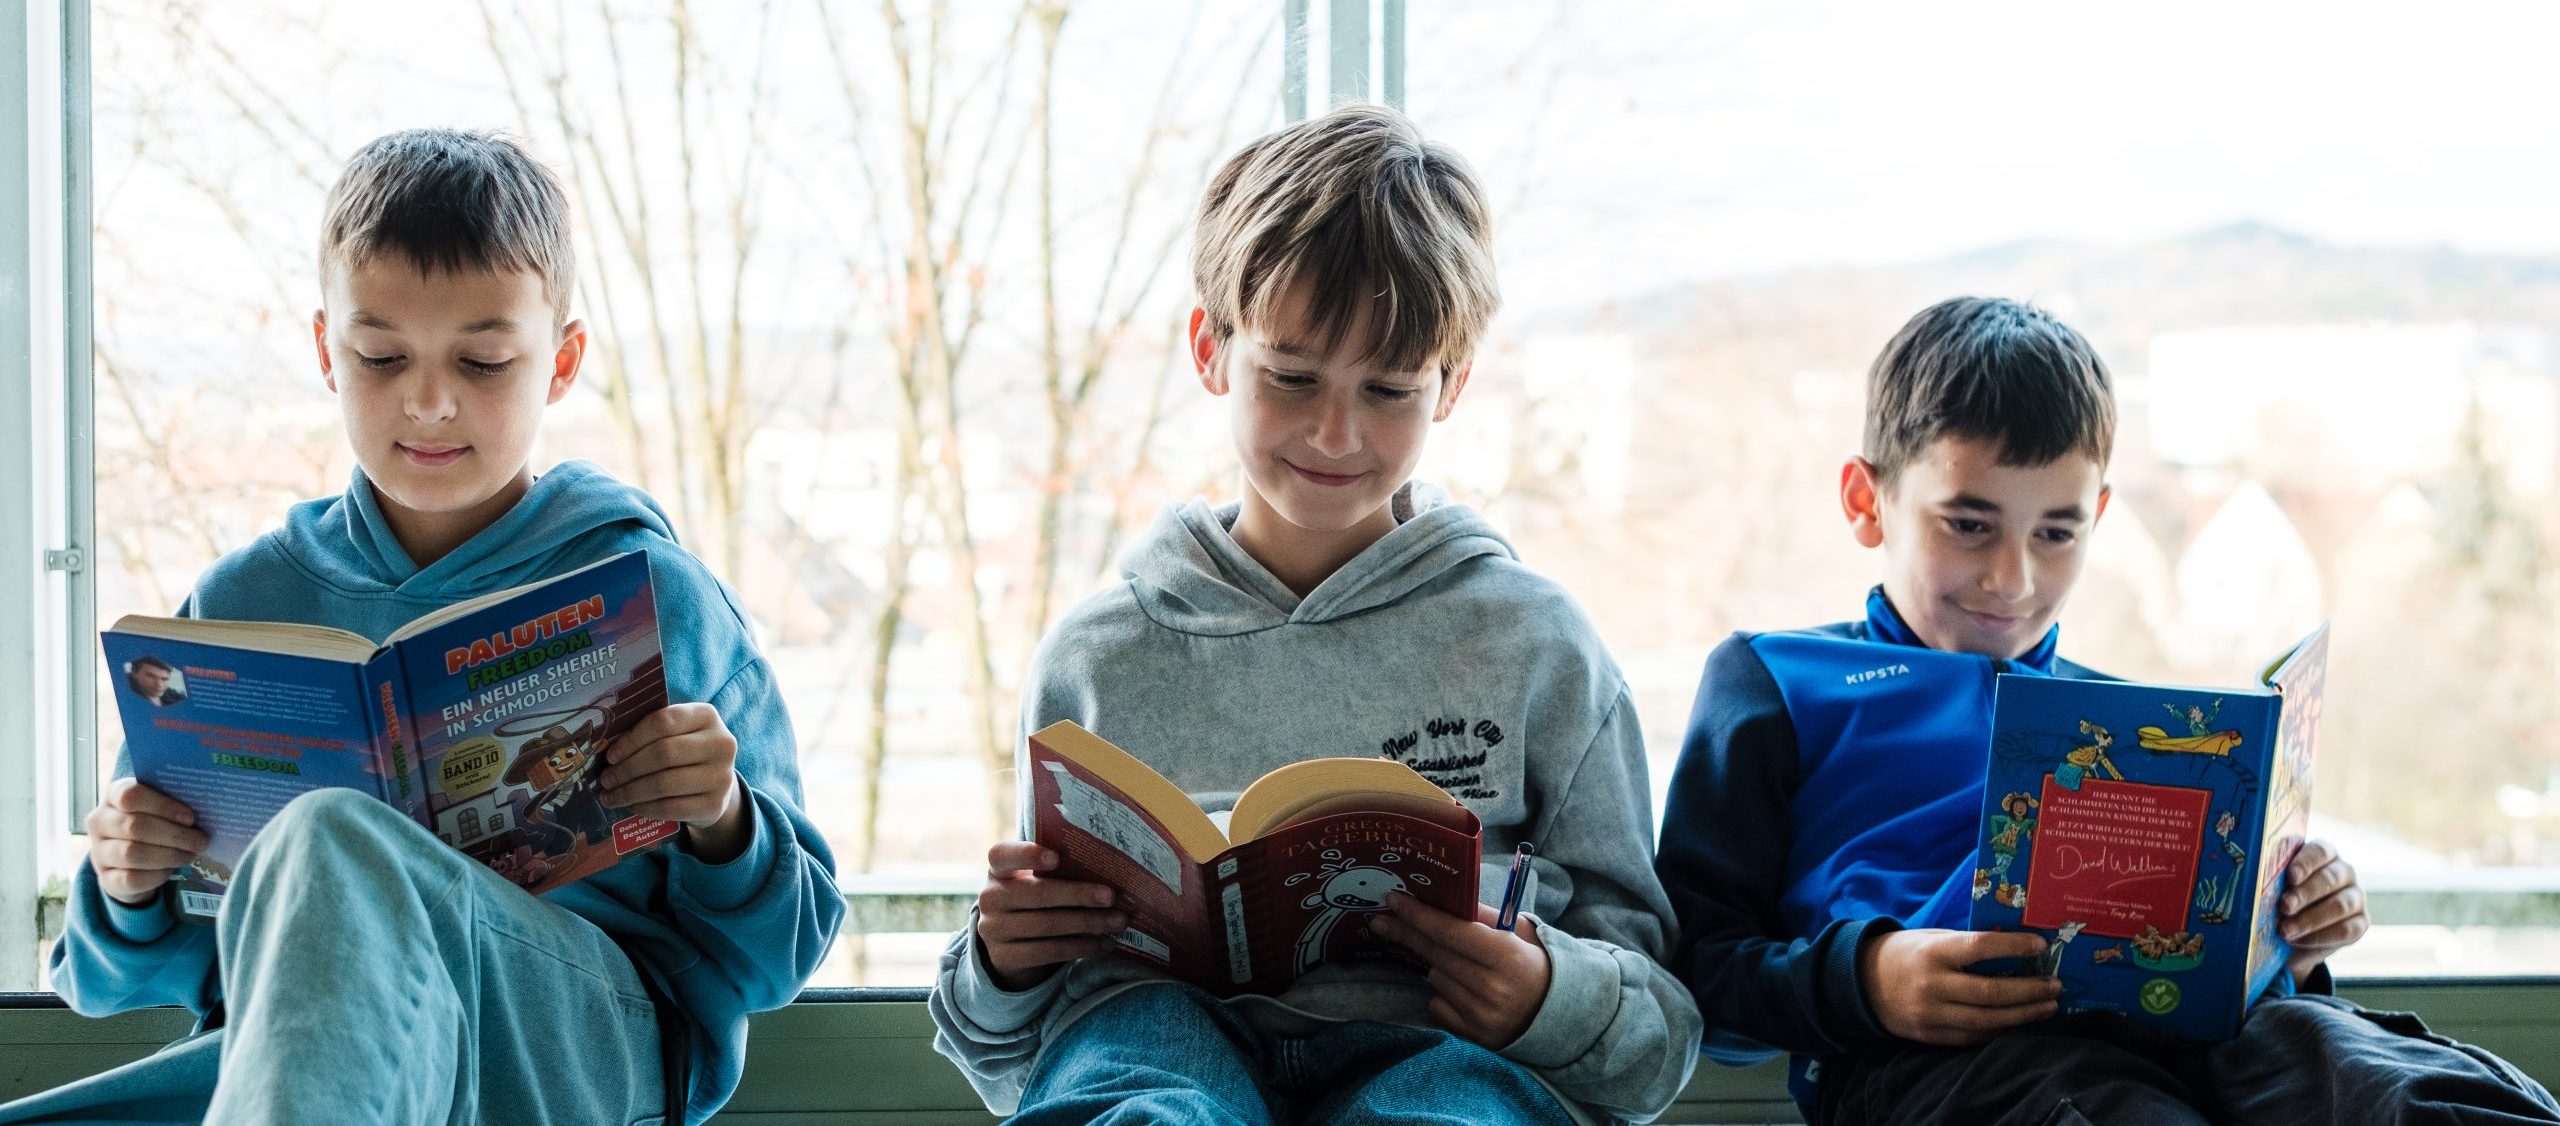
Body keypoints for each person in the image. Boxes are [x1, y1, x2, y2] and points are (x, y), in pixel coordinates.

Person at [5, 128, 842, 1126]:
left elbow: (781, 955)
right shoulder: (242, 601)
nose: (431, 400)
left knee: (328, 838)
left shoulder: (656, 594)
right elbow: (113, 980)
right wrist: (130, 879)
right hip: (315, 1056)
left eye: (484, 361)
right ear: (326, 350)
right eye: (381, 355)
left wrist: (723, 820)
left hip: (570, 1043)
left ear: (561, 360)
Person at [926, 103, 1701, 1125]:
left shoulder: (1537, 648)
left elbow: (1657, 1034)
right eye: (1291, 377)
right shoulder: (1098, 656)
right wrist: (999, 961)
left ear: (1452, 385)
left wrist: (1546, 994)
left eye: (1388, 391)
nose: (1336, 432)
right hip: (1149, 1035)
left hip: (1444, 1051)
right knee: (1138, 1095)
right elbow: (1002, 1049)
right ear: (1210, 350)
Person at [1653, 295, 2560, 1125]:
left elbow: (2234, 974)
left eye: (2057, 531)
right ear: (1868, 501)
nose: (2013, 579)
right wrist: (1867, 981)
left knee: (2414, 1090)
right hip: (1942, 1066)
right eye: (1968, 524)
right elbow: (1697, 971)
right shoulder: (1779, 682)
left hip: (2198, 1037)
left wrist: (2297, 927)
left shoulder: (2136, 724)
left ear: (2100, 515)